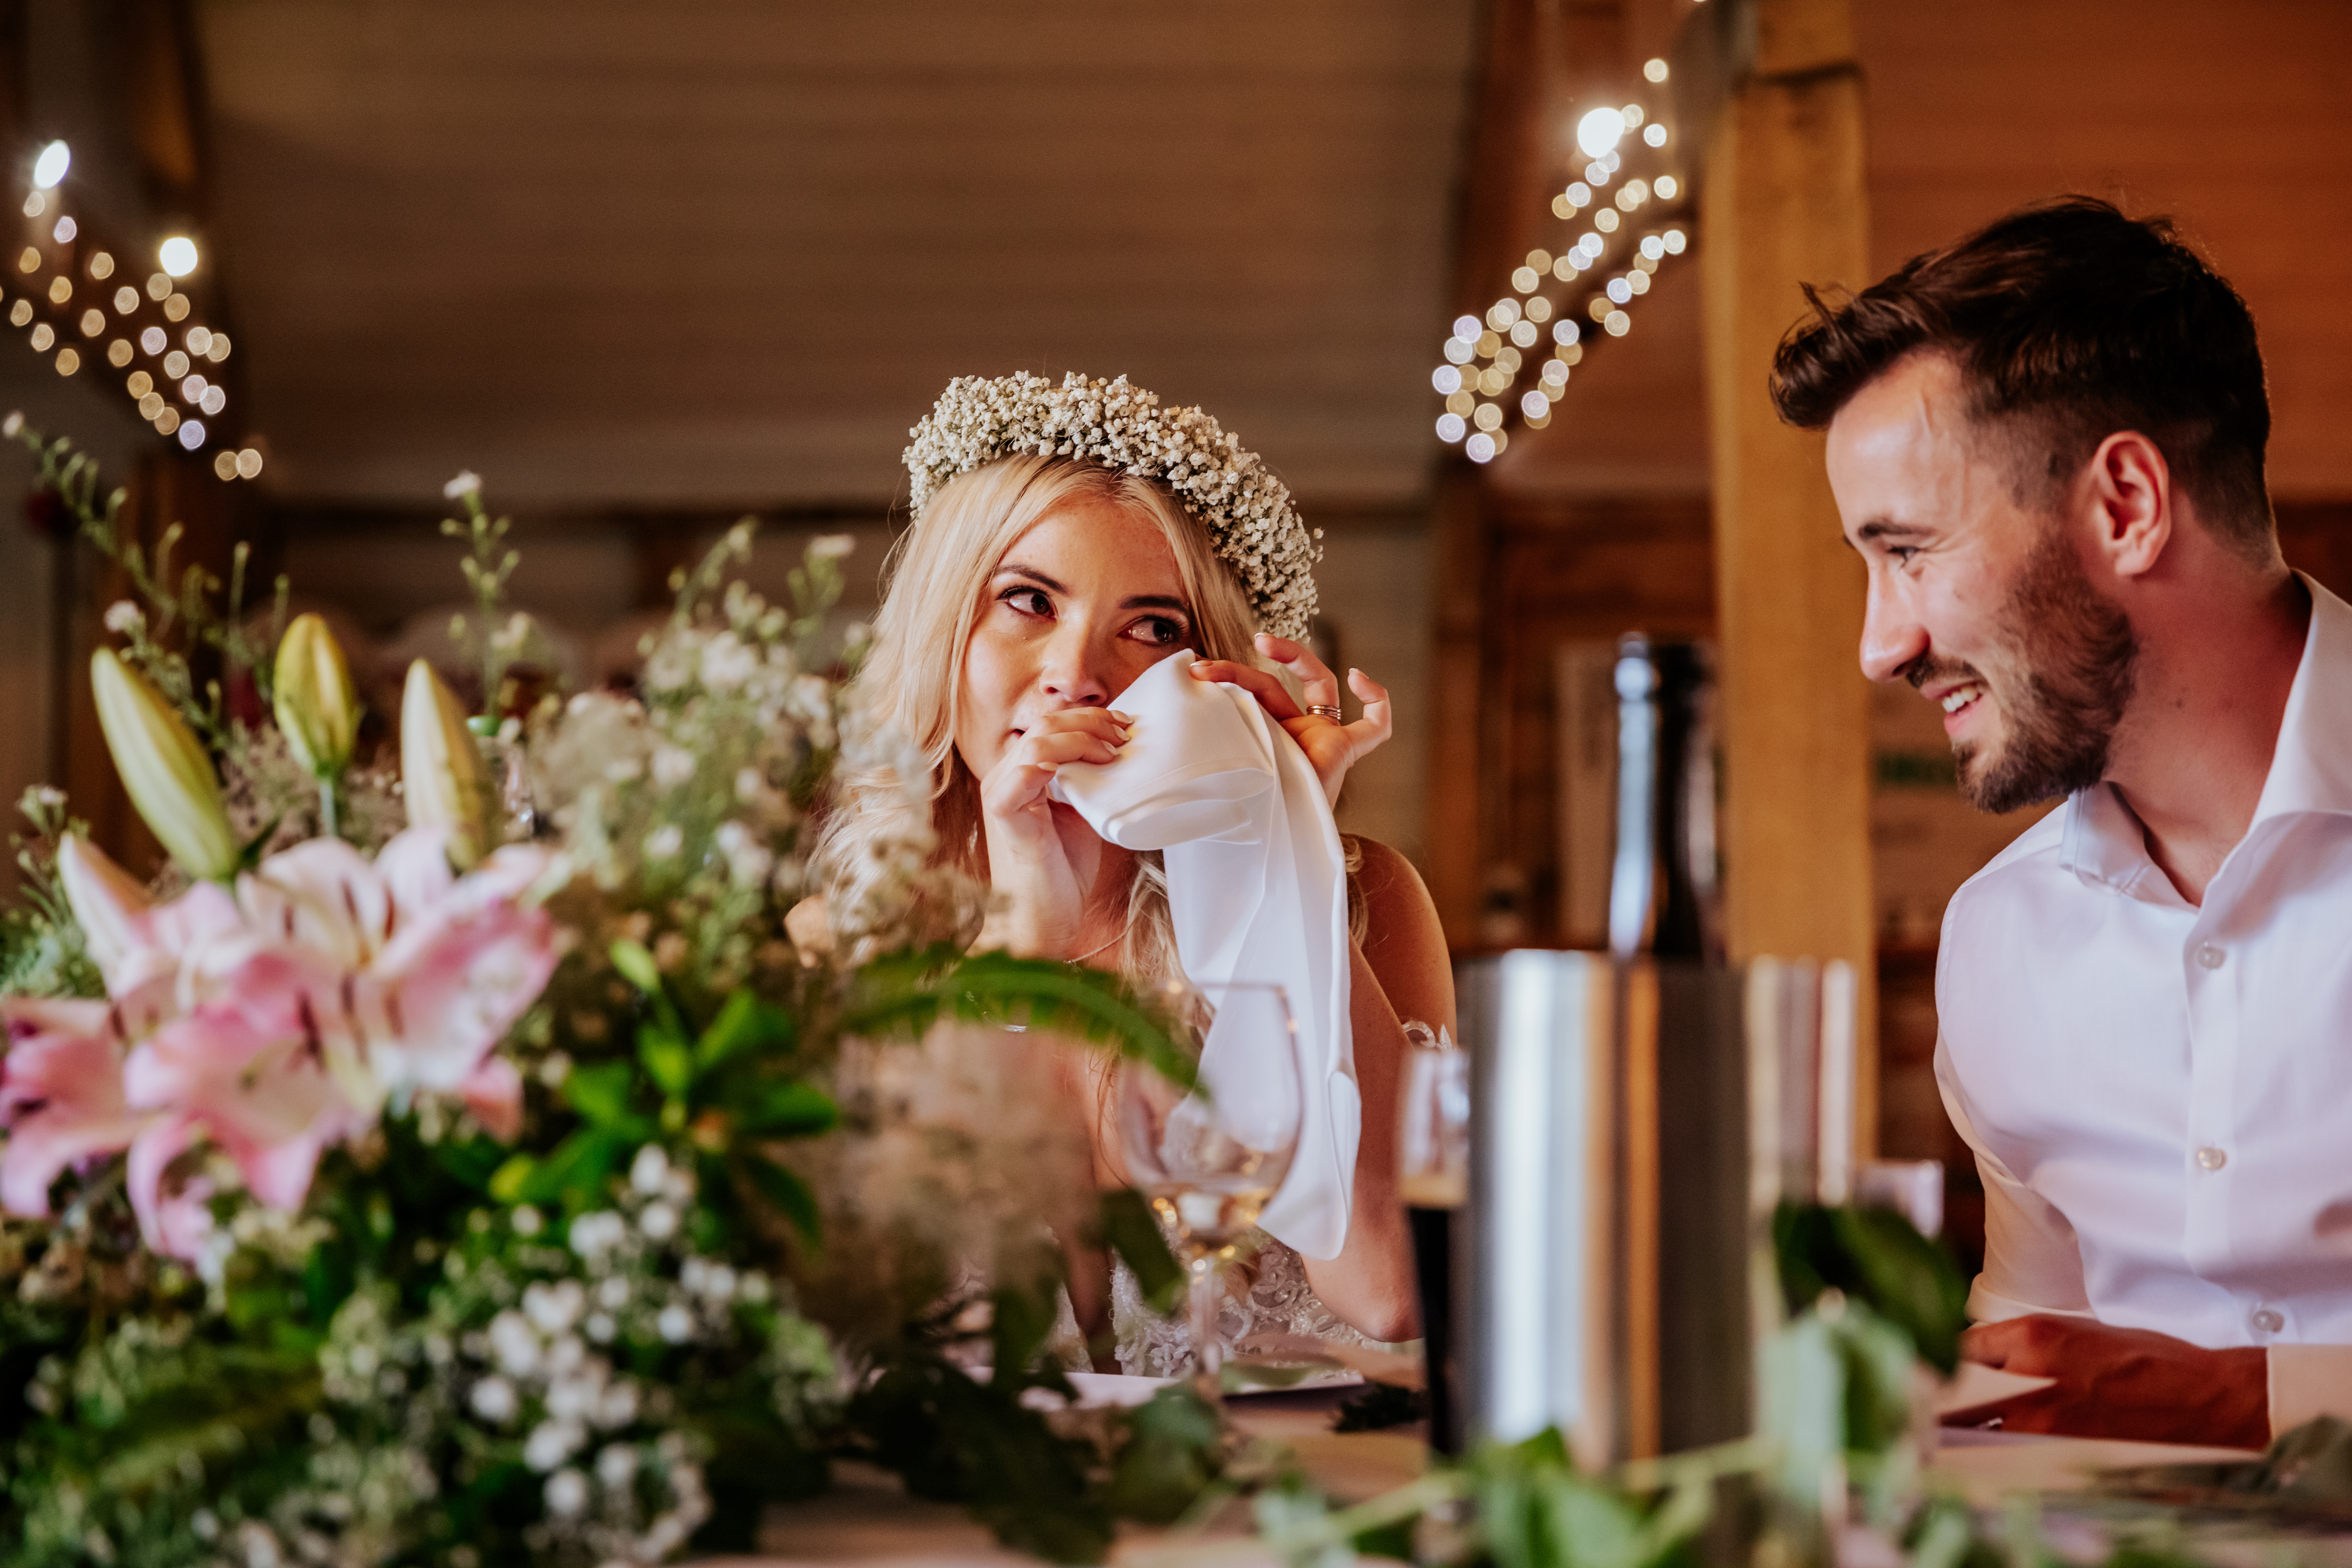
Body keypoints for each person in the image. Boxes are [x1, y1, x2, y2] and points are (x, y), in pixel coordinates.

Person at [1771, 197, 2352, 1448]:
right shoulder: (1996, 935)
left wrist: (2237, 1406)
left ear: (2126, 504)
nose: (1880, 645)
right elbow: (2033, 1370)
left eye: (1908, 550)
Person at [815, 372, 1447, 1372]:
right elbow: (865, 1317)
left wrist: (1287, 856)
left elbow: (1391, 1290)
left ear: (1215, 675)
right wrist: (1023, 927)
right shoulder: (832, 947)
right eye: (1027, 601)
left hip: (1264, 1508)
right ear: (946, 630)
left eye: (1152, 627)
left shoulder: (1370, 899)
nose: (1079, 673)